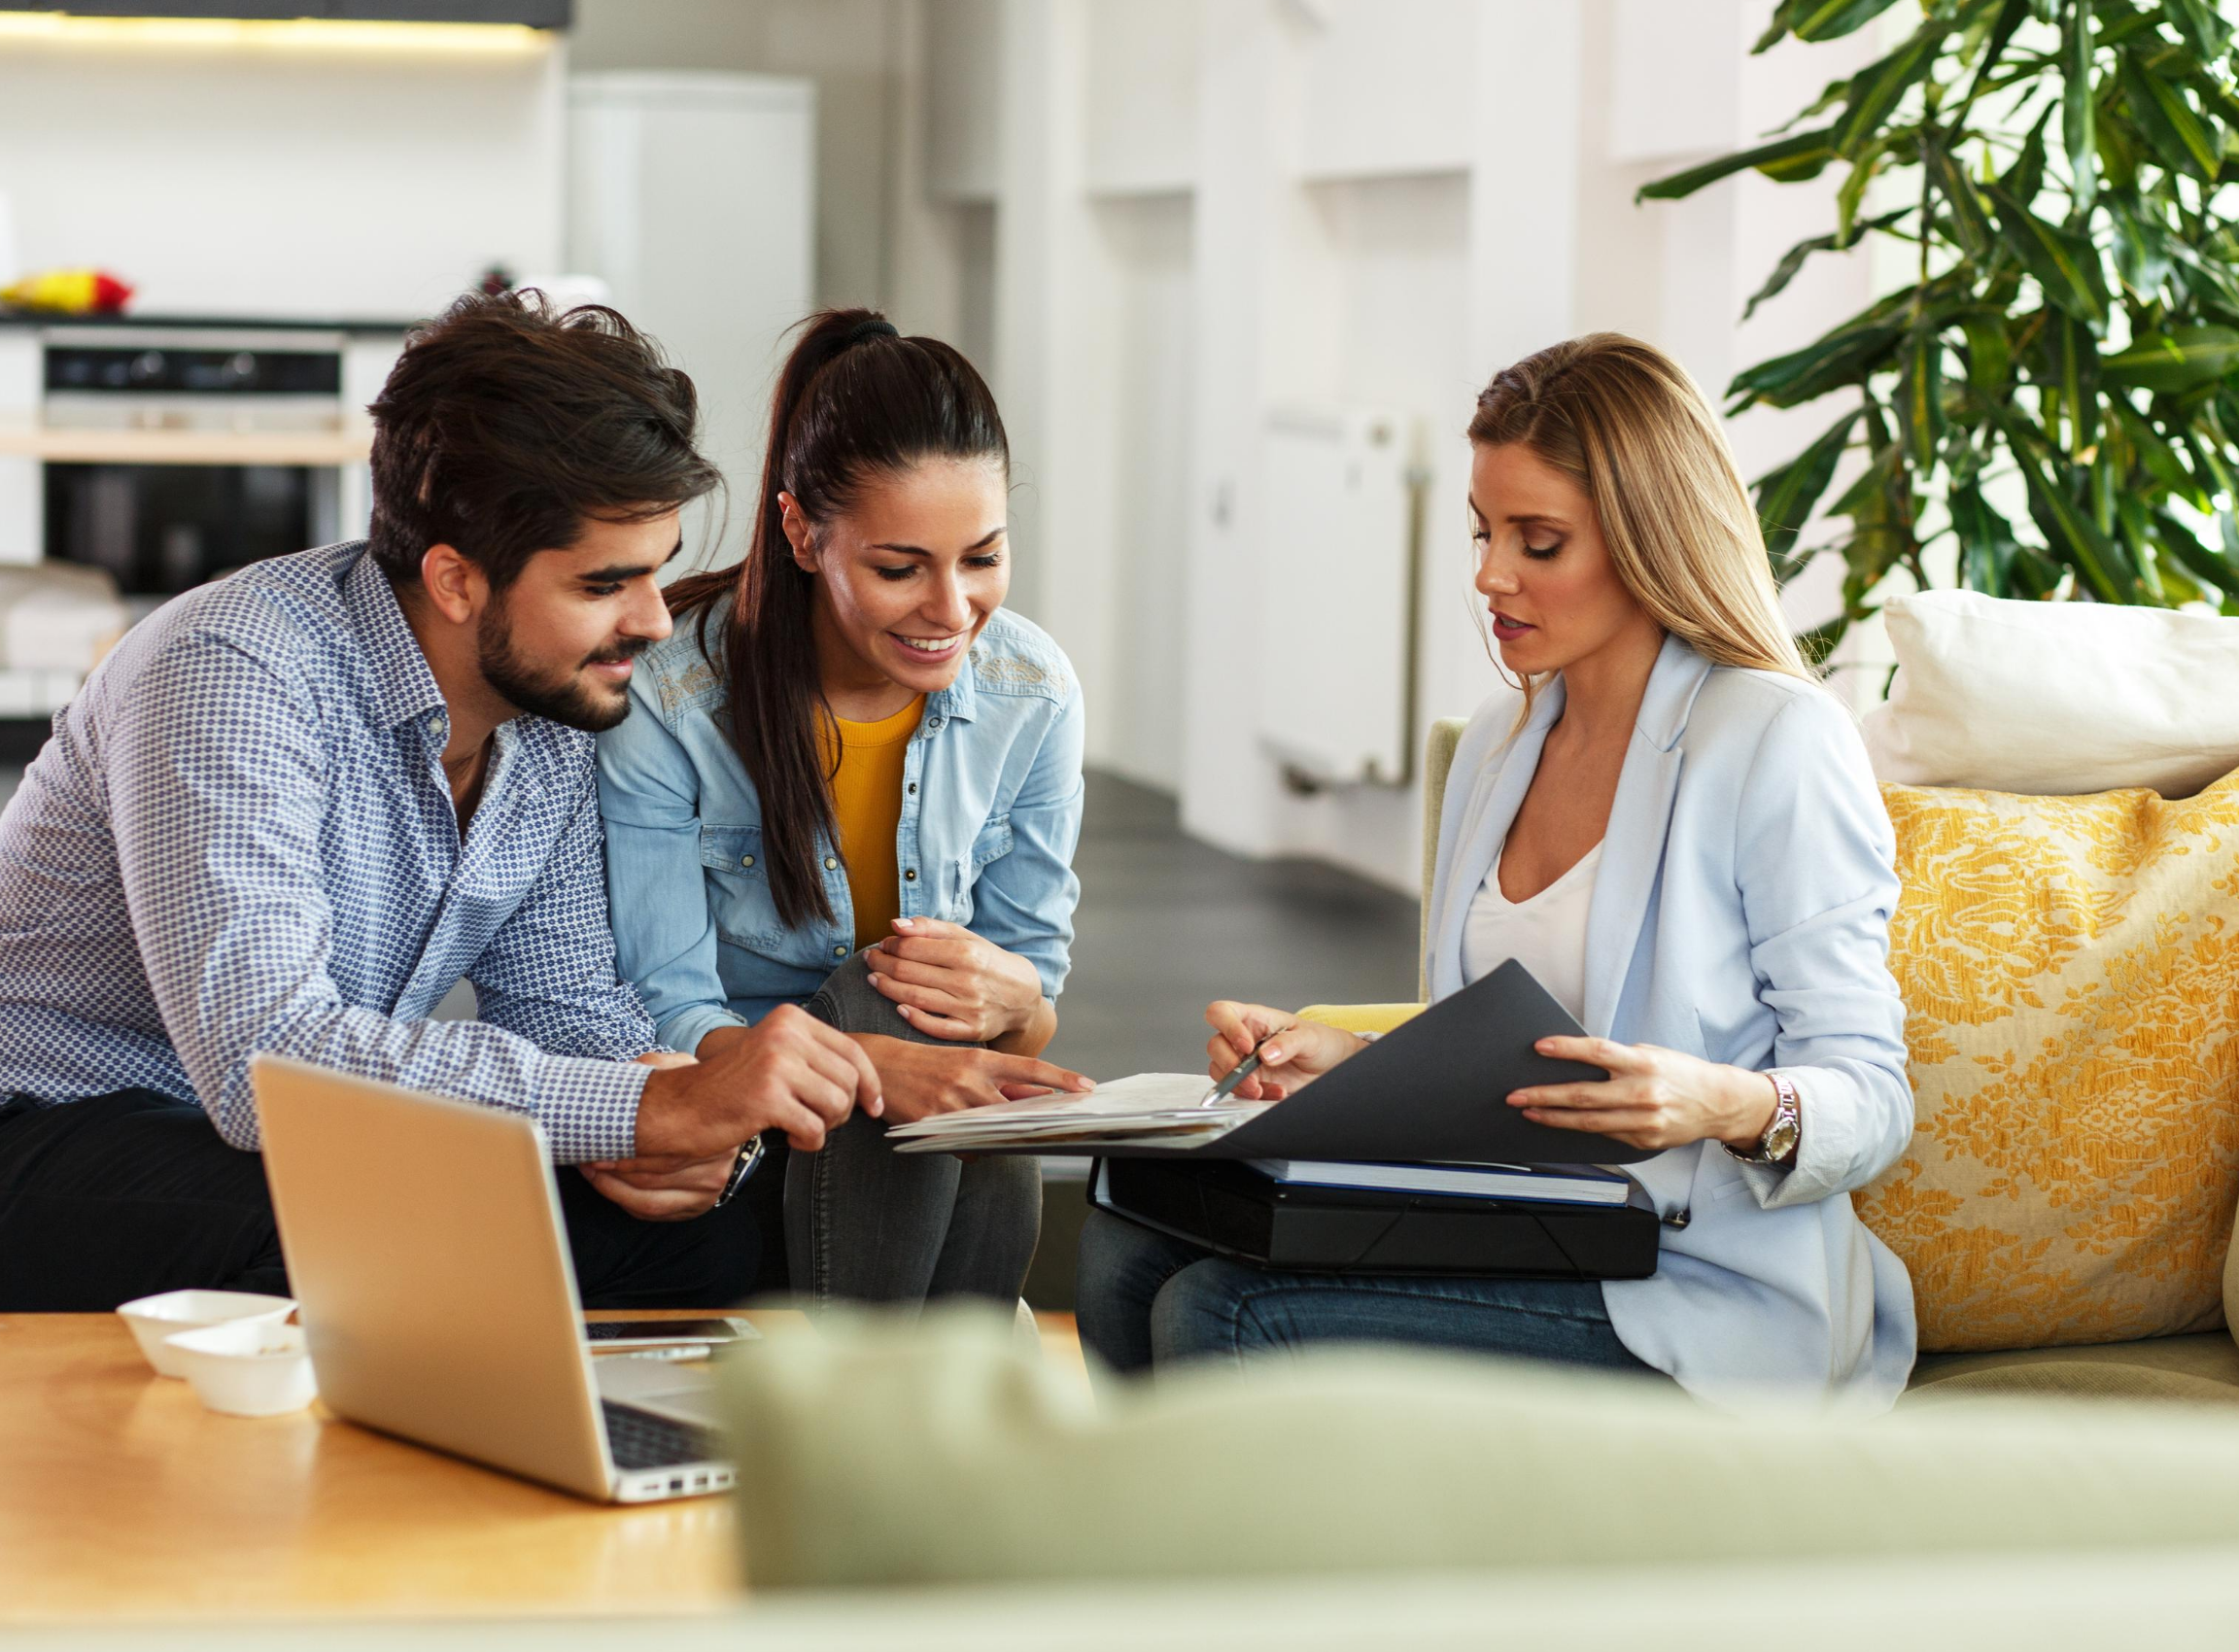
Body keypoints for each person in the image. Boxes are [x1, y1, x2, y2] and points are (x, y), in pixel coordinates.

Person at [1077, 333, 1915, 1411]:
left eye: (1540, 541)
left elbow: (1875, 1098)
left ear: (1647, 539)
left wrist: (1721, 1103)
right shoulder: (1497, 743)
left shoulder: (1775, 740)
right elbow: (1497, 1061)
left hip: (1695, 1287)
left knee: (1223, 1311)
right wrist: (1353, 1060)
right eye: (1484, 531)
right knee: (1122, 1252)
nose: (1489, 575)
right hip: (1524, 1234)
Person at [0, 291, 880, 1313]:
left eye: (656, 575)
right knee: (380, 1225)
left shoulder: (551, 714)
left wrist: (684, 1140)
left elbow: (565, 1009)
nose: (652, 620)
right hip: (55, 1124)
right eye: (604, 585)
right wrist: (647, 1104)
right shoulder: (232, 672)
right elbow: (267, 1064)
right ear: (457, 580)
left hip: (275, 1143)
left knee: (709, 1236)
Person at [598, 308, 1088, 1314]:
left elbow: (1029, 1006)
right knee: (883, 998)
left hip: (921, 1143)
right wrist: (873, 1060)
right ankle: (924, 1410)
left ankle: (906, 1418)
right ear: (801, 532)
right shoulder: (672, 695)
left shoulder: (1033, 691)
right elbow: (670, 1009)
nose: (952, 610)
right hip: (747, 1130)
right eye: (899, 569)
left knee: (955, 1043)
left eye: (984, 558)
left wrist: (1014, 1003)